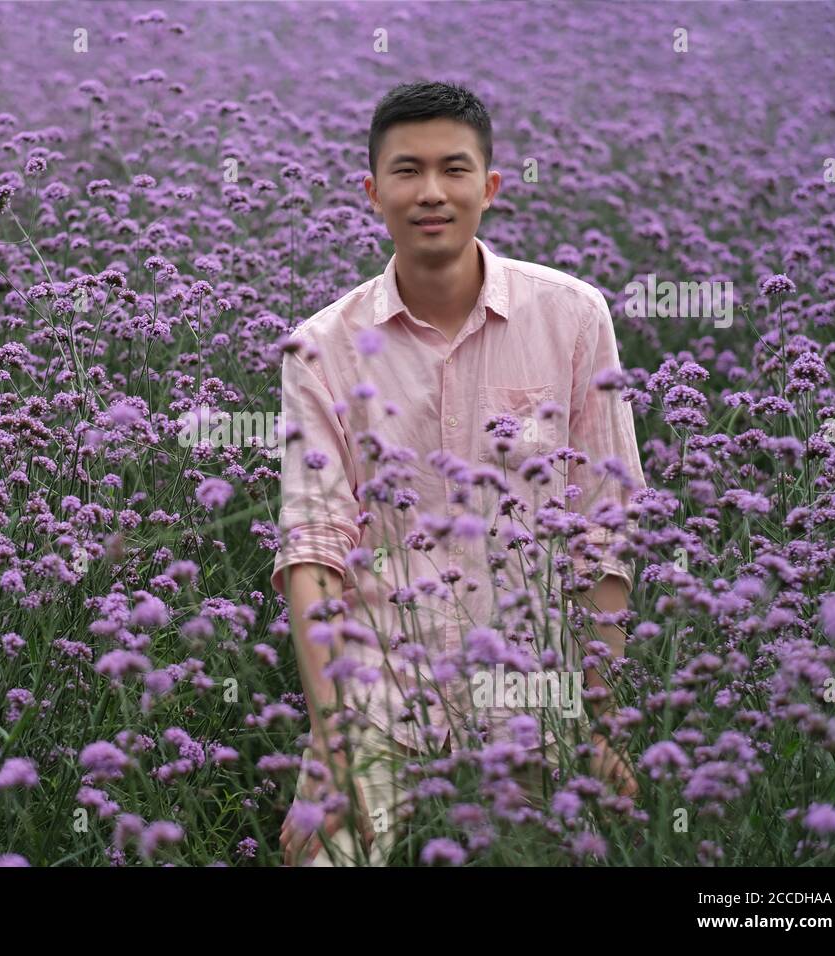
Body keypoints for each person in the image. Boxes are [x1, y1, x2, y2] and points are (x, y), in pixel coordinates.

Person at [273, 82, 645, 867]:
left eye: (455, 169)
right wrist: (332, 744)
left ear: (491, 187)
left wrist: (599, 721)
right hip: (377, 692)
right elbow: (312, 553)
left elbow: (603, 531)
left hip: (532, 685)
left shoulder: (574, 318)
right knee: (325, 856)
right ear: (373, 193)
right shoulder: (321, 348)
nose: (432, 193)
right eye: (407, 172)